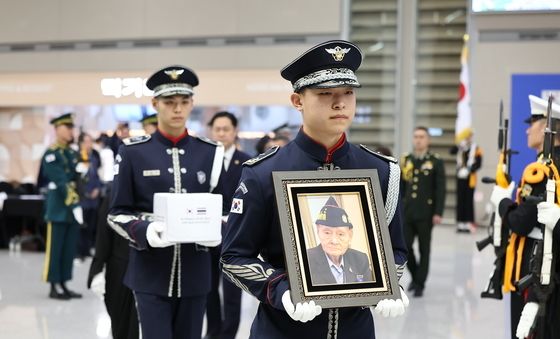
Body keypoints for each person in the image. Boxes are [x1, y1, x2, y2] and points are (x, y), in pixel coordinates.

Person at [221, 40, 408, 339]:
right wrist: (281, 290)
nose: (340, 103)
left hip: (355, 330)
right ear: (297, 101)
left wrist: (389, 281)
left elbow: (396, 248)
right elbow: (234, 257)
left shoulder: (382, 171)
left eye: (348, 93)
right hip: (284, 330)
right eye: (325, 94)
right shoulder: (263, 173)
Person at [107, 65, 224, 339]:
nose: (177, 109)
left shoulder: (209, 153)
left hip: (196, 272)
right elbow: (116, 213)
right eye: (170, 102)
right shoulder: (134, 152)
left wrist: (216, 229)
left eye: (184, 102)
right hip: (149, 272)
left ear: (192, 104)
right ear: (155, 103)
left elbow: (229, 209)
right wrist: (146, 231)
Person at [489, 95, 560, 339]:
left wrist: (502, 202)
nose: (528, 129)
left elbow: (520, 221)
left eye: (534, 123)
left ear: (548, 128)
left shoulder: (542, 170)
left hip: (535, 262)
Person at [204, 111, 251, 339]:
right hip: (207, 234)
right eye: (217, 129)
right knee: (209, 289)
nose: (221, 133)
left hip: (235, 235)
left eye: (226, 129)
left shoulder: (247, 162)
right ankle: (212, 332)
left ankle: (228, 335)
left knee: (233, 291)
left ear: (234, 132)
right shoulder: (204, 160)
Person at [41, 112, 84, 300]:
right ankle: (53, 285)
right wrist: (74, 200)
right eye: (68, 128)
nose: (71, 131)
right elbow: (60, 180)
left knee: (68, 250)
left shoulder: (72, 153)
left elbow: (78, 176)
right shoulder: (51, 154)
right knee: (56, 249)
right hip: (59, 208)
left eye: (72, 128)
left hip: (72, 210)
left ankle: (64, 283)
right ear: (58, 129)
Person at [400, 126, 446, 297]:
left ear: (428, 140)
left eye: (422, 137)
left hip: (426, 213)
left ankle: (420, 283)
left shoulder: (435, 161)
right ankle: (415, 276)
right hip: (408, 212)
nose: (418, 140)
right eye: (416, 136)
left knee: (424, 249)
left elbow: (440, 189)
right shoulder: (406, 160)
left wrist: (438, 212)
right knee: (405, 247)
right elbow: (402, 187)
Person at [306, 196, 373, 285]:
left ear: (350, 235)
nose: (334, 241)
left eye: (340, 234)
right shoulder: (305, 260)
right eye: (327, 233)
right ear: (318, 231)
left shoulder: (360, 259)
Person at [76, 132, 102, 261]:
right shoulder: (77, 158)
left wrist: (97, 188)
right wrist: (85, 192)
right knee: (81, 225)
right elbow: (78, 180)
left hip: (94, 198)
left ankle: (87, 250)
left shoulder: (94, 157)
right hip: (82, 198)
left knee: (91, 226)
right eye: (86, 141)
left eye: (90, 141)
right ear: (80, 143)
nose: (89, 144)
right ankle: (79, 251)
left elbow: (96, 176)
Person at [451, 132, 483, 233]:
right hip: (460, 177)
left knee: (468, 200)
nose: (468, 139)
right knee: (460, 199)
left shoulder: (475, 148)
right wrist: (458, 145)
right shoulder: (461, 147)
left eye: (469, 137)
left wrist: (470, 170)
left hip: (470, 178)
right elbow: (451, 151)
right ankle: (460, 223)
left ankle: (468, 223)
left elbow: (479, 163)